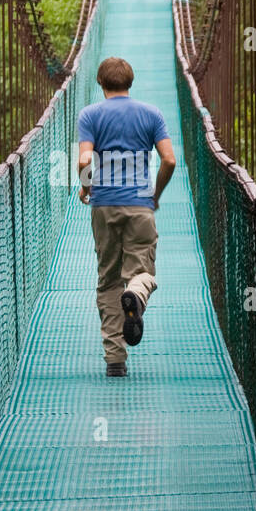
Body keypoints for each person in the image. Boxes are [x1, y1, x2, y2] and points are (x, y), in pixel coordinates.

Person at [76, 57, 177, 378]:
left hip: (104, 206)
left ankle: (115, 360)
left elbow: (84, 158)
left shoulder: (90, 115)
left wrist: (86, 186)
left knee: (107, 280)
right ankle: (135, 293)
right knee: (142, 273)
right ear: (129, 82)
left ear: (101, 83)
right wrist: (155, 194)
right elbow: (170, 161)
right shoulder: (151, 114)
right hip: (139, 205)